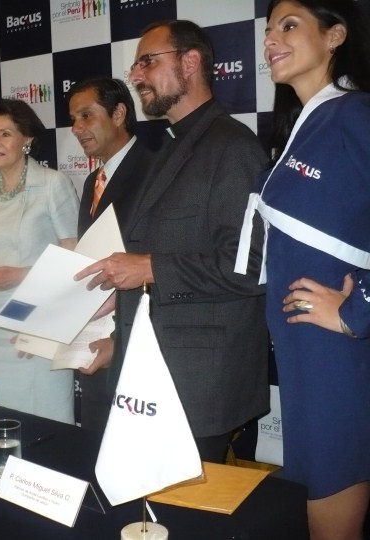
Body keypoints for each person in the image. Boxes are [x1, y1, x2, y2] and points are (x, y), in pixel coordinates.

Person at [75, 20, 269, 462]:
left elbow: (250, 266)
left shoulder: (233, 147)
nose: (136, 75)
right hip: (154, 374)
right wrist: (120, 291)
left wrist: (148, 268)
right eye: (136, 65)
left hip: (201, 383)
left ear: (191, 62)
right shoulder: (169, 148)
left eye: (148, 61)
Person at [235, 2, 370, 538]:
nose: (271, 39)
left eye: (289, 26)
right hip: (302, 355)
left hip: (335, 354)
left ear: (335, 35)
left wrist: (357, 310)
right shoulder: (305, 124)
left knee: (330, 511)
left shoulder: (355, 114)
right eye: (268, 30)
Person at [0, 98, 79, 423]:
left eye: (5, 134)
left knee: (43, 422)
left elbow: (76, 258)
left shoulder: (53, 184)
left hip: (36, 324)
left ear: (27, 139)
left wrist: (21, 275)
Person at [67, 77, 153, 431]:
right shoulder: (92, 182)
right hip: (93, 343)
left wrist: (119, 343)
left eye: (86, 115)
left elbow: (159, 263)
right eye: (74, 119)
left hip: (138, 349)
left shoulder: (155, 170)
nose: (76, 128)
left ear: (119, 113)